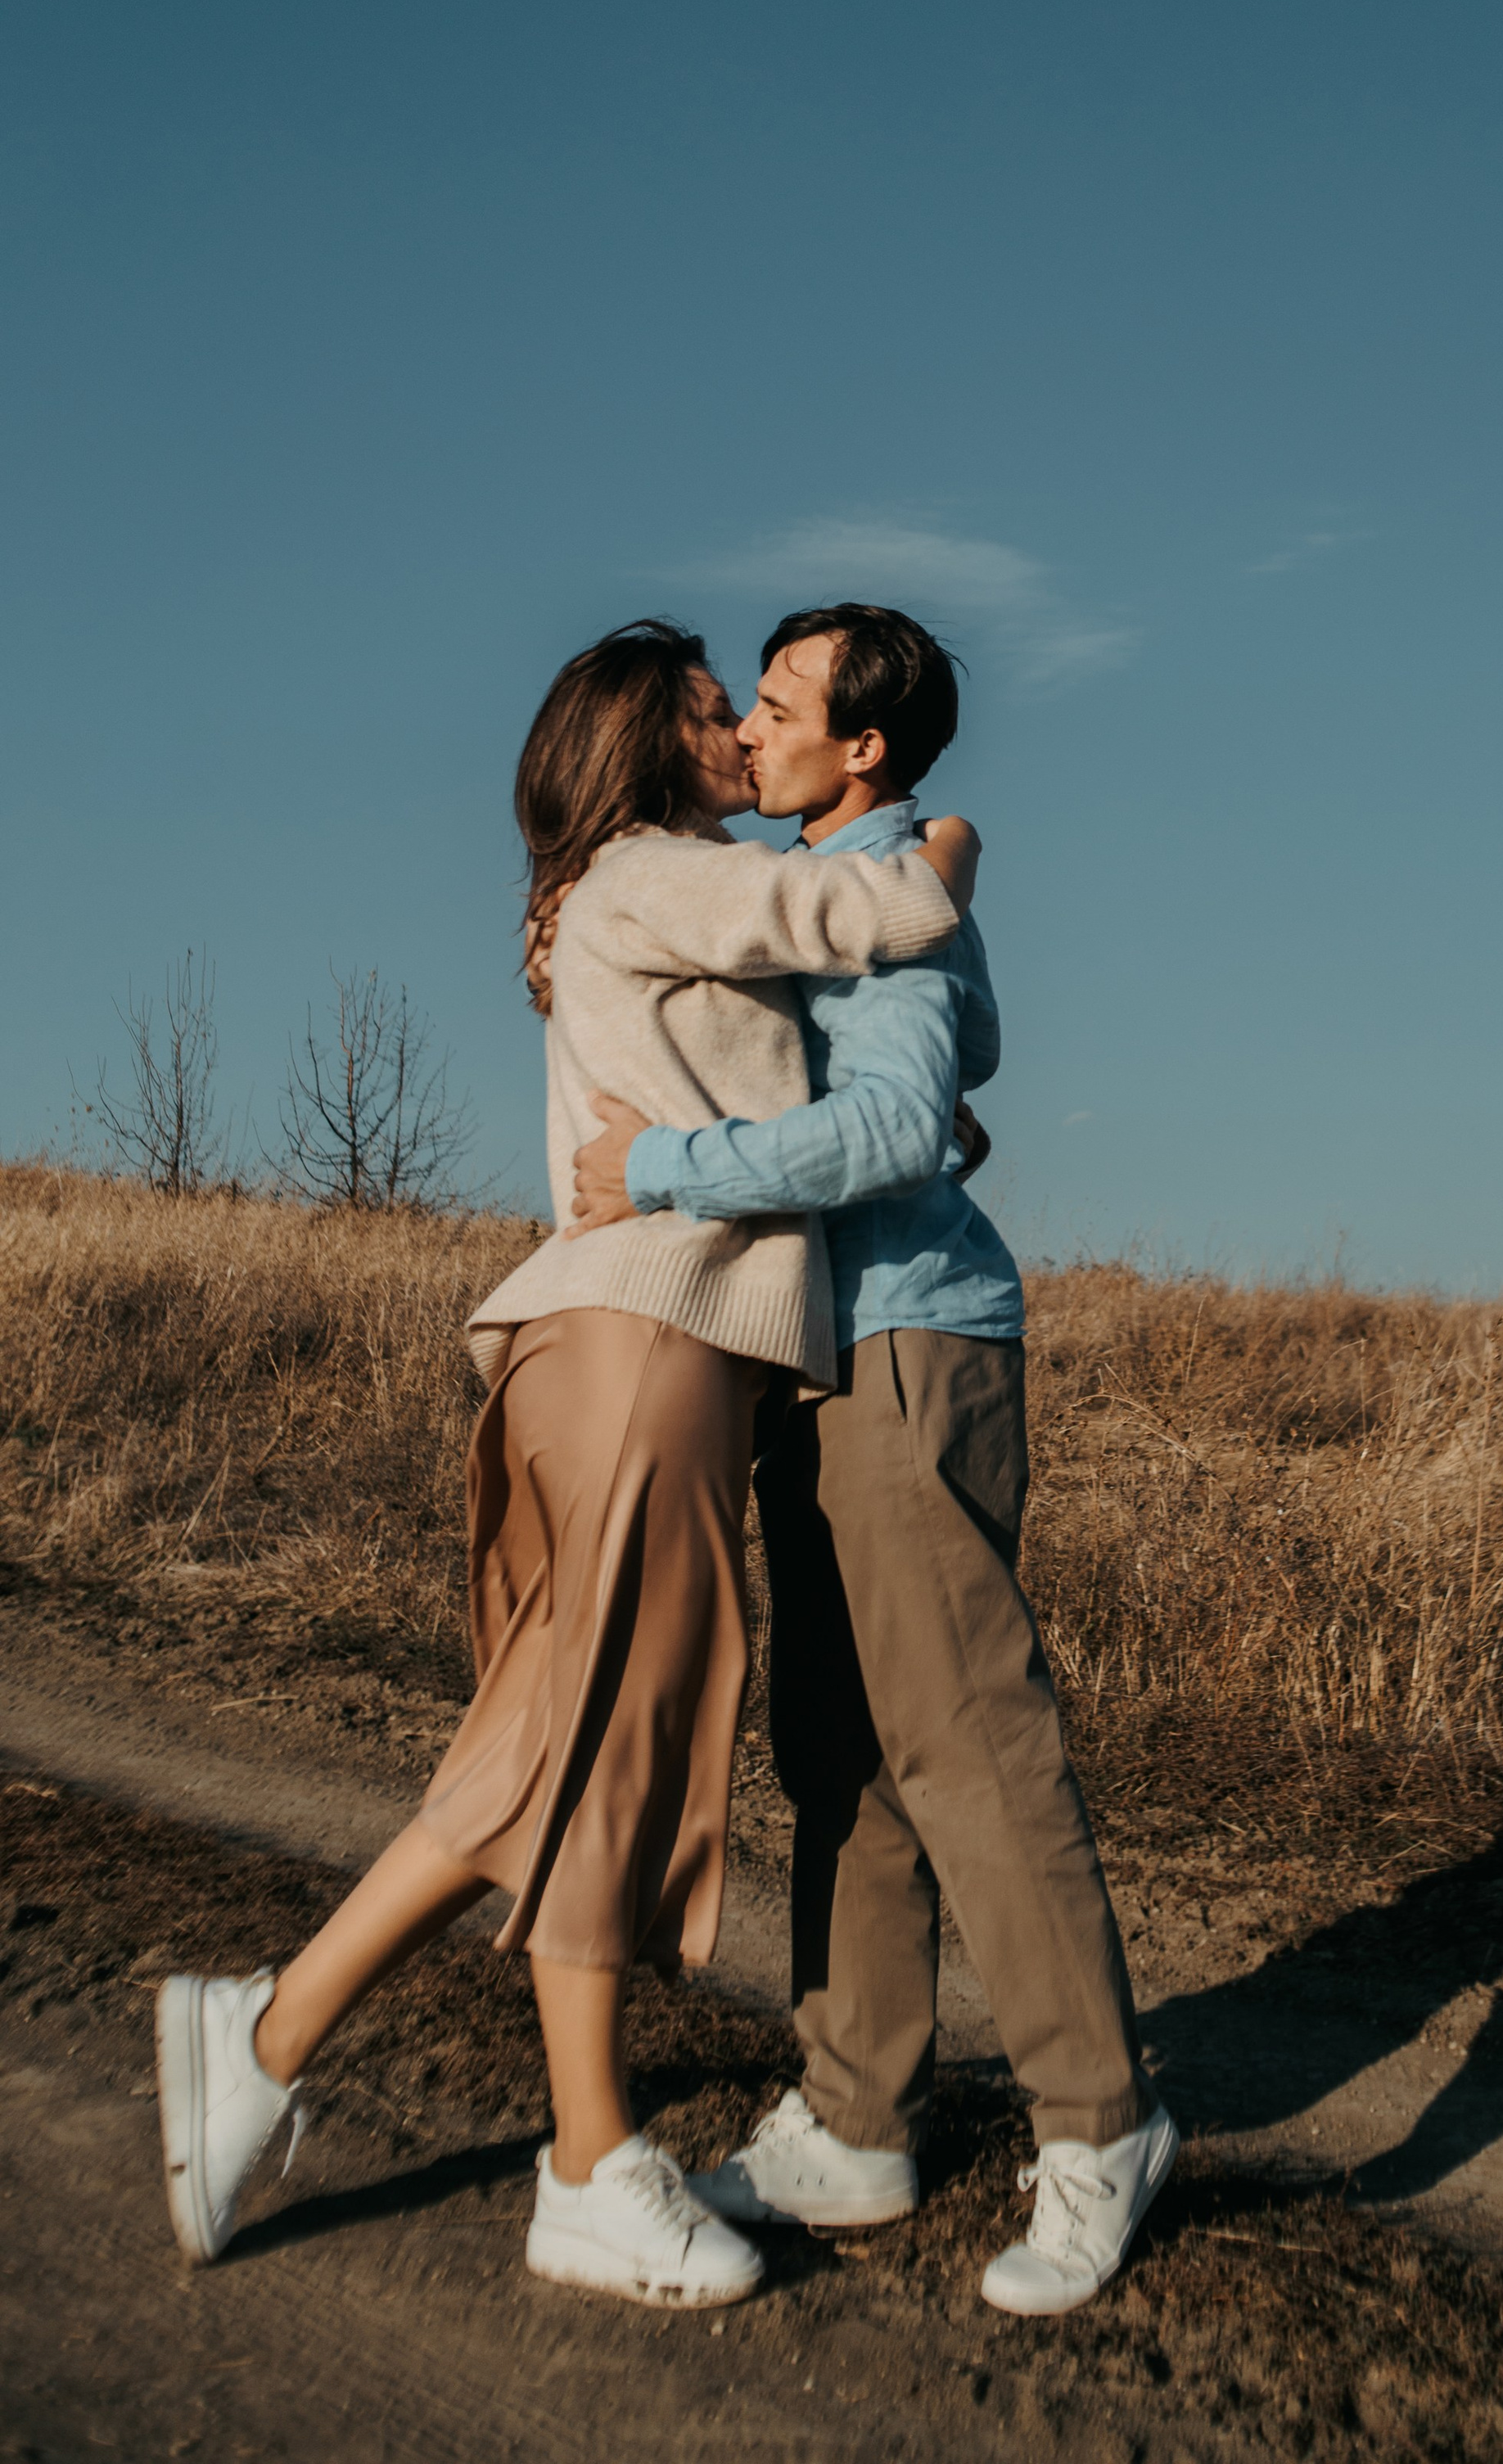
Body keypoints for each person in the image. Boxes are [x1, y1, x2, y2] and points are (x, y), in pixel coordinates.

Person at [153, 616, 979, 2305]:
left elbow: (875, 1082)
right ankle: (583, 2162)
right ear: (649, 752)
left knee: (554, 1736)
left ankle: (279, 2031)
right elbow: (878, 908)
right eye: (711, 712)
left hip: (617, 1350)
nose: (743, 736)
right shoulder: (652, 869)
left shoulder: (641, 894)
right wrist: (945, 838)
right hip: (648, 1345)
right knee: (602, 1740)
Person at [570, 605, 1175, 2317]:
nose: (746, 733)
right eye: (748, 703)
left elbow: (909, 1121)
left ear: (862, 753)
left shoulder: (889, 882)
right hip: (829, 1355)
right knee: (842, 1754)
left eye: (775, 708)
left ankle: (1101, 2121)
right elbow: (940, 1081)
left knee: (968, 1741)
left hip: (913, 1342)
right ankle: (853, 2113)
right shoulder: (833, 891)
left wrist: (668, 1165)